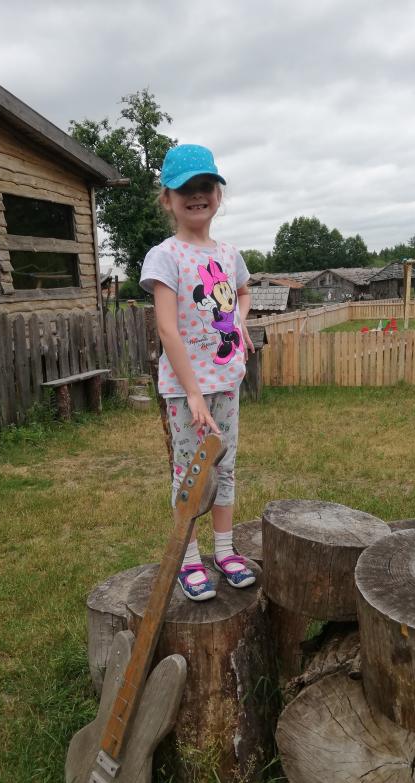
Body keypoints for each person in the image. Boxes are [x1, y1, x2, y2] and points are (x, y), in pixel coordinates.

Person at [140, 144, 256, 602]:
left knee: (225, 467)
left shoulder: (228, 254)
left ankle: (224, 552)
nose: (196, 195)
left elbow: (242, 294)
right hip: (186, 390)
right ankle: (188, 561)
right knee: (190, 474)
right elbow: (167, 329)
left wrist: (240, 321)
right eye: (184, 188)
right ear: (167, 199)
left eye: (205, 185)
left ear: (218, 195)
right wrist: (191, 393)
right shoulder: (164, 256)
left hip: (227, 383)